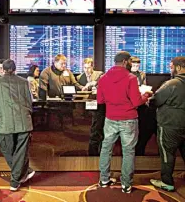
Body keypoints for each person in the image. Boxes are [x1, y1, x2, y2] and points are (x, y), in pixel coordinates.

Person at [97, 51, 152, 194]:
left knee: (106, 149)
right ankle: (126, 185)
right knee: (128, 152)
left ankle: (104, 180)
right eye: (129, 61)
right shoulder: (131, 78)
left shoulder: (103, 78)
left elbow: (100, 101)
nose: (131, 64)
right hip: (128, 119)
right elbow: (136, 101)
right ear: (125, 61)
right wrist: (146, 96)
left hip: (110, 119)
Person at [0, 59, 35, 191]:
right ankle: (24, 172)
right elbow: (31, 100)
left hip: (4, 122)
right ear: (15, 68)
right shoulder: (25, 82)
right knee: (21, 151)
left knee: (7, 149)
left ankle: (14, 181)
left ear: (3, 70)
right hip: (24, 120)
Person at [149, 57, 185, 192]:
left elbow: (155, 101)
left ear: (179, 67)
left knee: (167, 154)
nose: (170, 69)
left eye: (171, 66)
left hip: (170, 125)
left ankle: (167, 182)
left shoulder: (171, 84)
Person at [76, 58, 105, 155]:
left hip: (99, 106)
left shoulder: (99, 74)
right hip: (85, 107)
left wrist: (93, 84)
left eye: (88, 68)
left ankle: (97, 152)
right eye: (84, 68)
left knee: (98, 130)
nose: (86, 70)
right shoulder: (80, 77)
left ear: (92, 67)